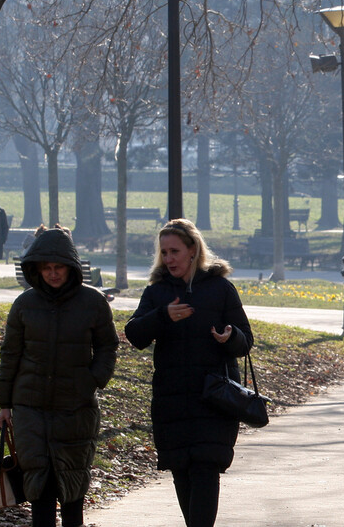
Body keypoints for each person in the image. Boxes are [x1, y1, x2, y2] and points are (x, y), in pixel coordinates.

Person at [125, 219, 254, 527]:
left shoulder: (221, 289)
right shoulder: (157, 292)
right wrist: (162, 316)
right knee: (182, 472)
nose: (169, 259)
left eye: (175, 251)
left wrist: (230, 336)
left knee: (205, 470)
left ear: (193, 250)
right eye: (164, 252)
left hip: (214, 399)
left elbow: (245, 340)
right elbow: (135, 334)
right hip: (172, 401)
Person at [0, 226, 118, 527]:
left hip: (75, 409)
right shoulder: (24, 304)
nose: (52, 273)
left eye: (58, 267)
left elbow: (107, 346)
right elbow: (10, 355)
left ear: (70, 266)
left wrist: (92, 380)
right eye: (46, 268)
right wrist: (4, 404)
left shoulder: (93, 302)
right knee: (40, 489)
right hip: (30, 408)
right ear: (36, 269)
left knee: (72, 490)